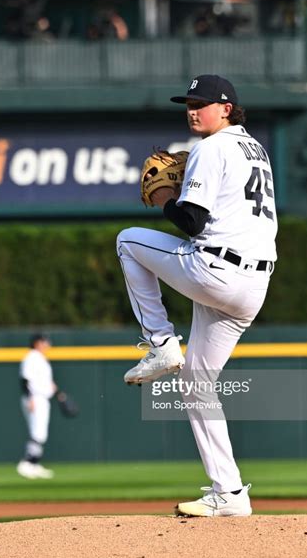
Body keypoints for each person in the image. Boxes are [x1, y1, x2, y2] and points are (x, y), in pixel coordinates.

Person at [117, 74, 278, 517]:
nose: (193, 109)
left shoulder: (213, 146)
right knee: (195, 383)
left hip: (214, 269)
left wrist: (167, 193)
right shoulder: (255, 149)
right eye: (188, 103)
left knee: (129, 240)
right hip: (253, 287)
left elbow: (192, 222)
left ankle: (161, 343)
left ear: (226, 108)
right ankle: (229, 494)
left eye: (202, 102)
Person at [16, 333, 57, 479]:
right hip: (35, 398)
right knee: (37, 433)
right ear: (37, 343)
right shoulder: (32, 357)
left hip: (41, 398)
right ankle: (27, 463)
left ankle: (34, 463)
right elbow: (25, 379)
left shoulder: (39, 358)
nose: (48, 345)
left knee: (41, 433)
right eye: (45, 342)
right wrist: (30, 398)